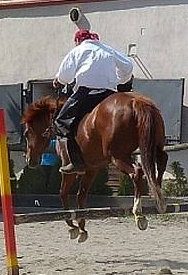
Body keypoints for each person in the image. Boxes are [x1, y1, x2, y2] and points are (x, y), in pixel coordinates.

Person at [53, 29, 133, 174]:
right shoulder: (108, 49)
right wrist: (119, 80)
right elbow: (128, 66)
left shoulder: (78, 50)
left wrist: (58, 81)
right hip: (108, 93)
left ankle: (76, 162)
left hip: (85, 93)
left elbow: (65, 76)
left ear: (78, 41)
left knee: (61, 121)